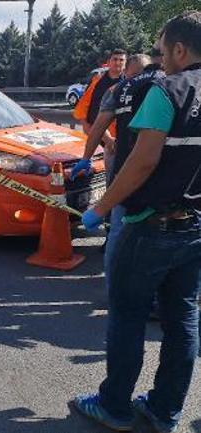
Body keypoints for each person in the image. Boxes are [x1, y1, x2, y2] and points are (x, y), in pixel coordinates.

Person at [73, 11, 201, 433]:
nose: (160, 60)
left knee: (127, 315)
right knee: (182, 318)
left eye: (163, 51)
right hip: (196, 226)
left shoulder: (167, 91)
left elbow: (142, 163)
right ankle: (165, 410)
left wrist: (101, 208)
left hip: (151, 225)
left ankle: (115, 407)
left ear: (180, 49)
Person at [71, 53, 160, 290]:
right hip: (159, 175)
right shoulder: (167, 86)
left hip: (125, 170)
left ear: (128, 71)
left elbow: (97, 126)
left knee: (119, 233)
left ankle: (114, 289)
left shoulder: (119, 90)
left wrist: (86, 159)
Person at [74, 49, 128, 175]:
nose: (118, 63)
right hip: (94, 134)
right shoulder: (97, 80)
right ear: (109, 62)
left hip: (115, 139)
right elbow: (84, 102)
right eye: (115, 59)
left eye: (121, 60)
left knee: (112, 173)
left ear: (125, 63)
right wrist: (84, 123)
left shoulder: (128, 83)